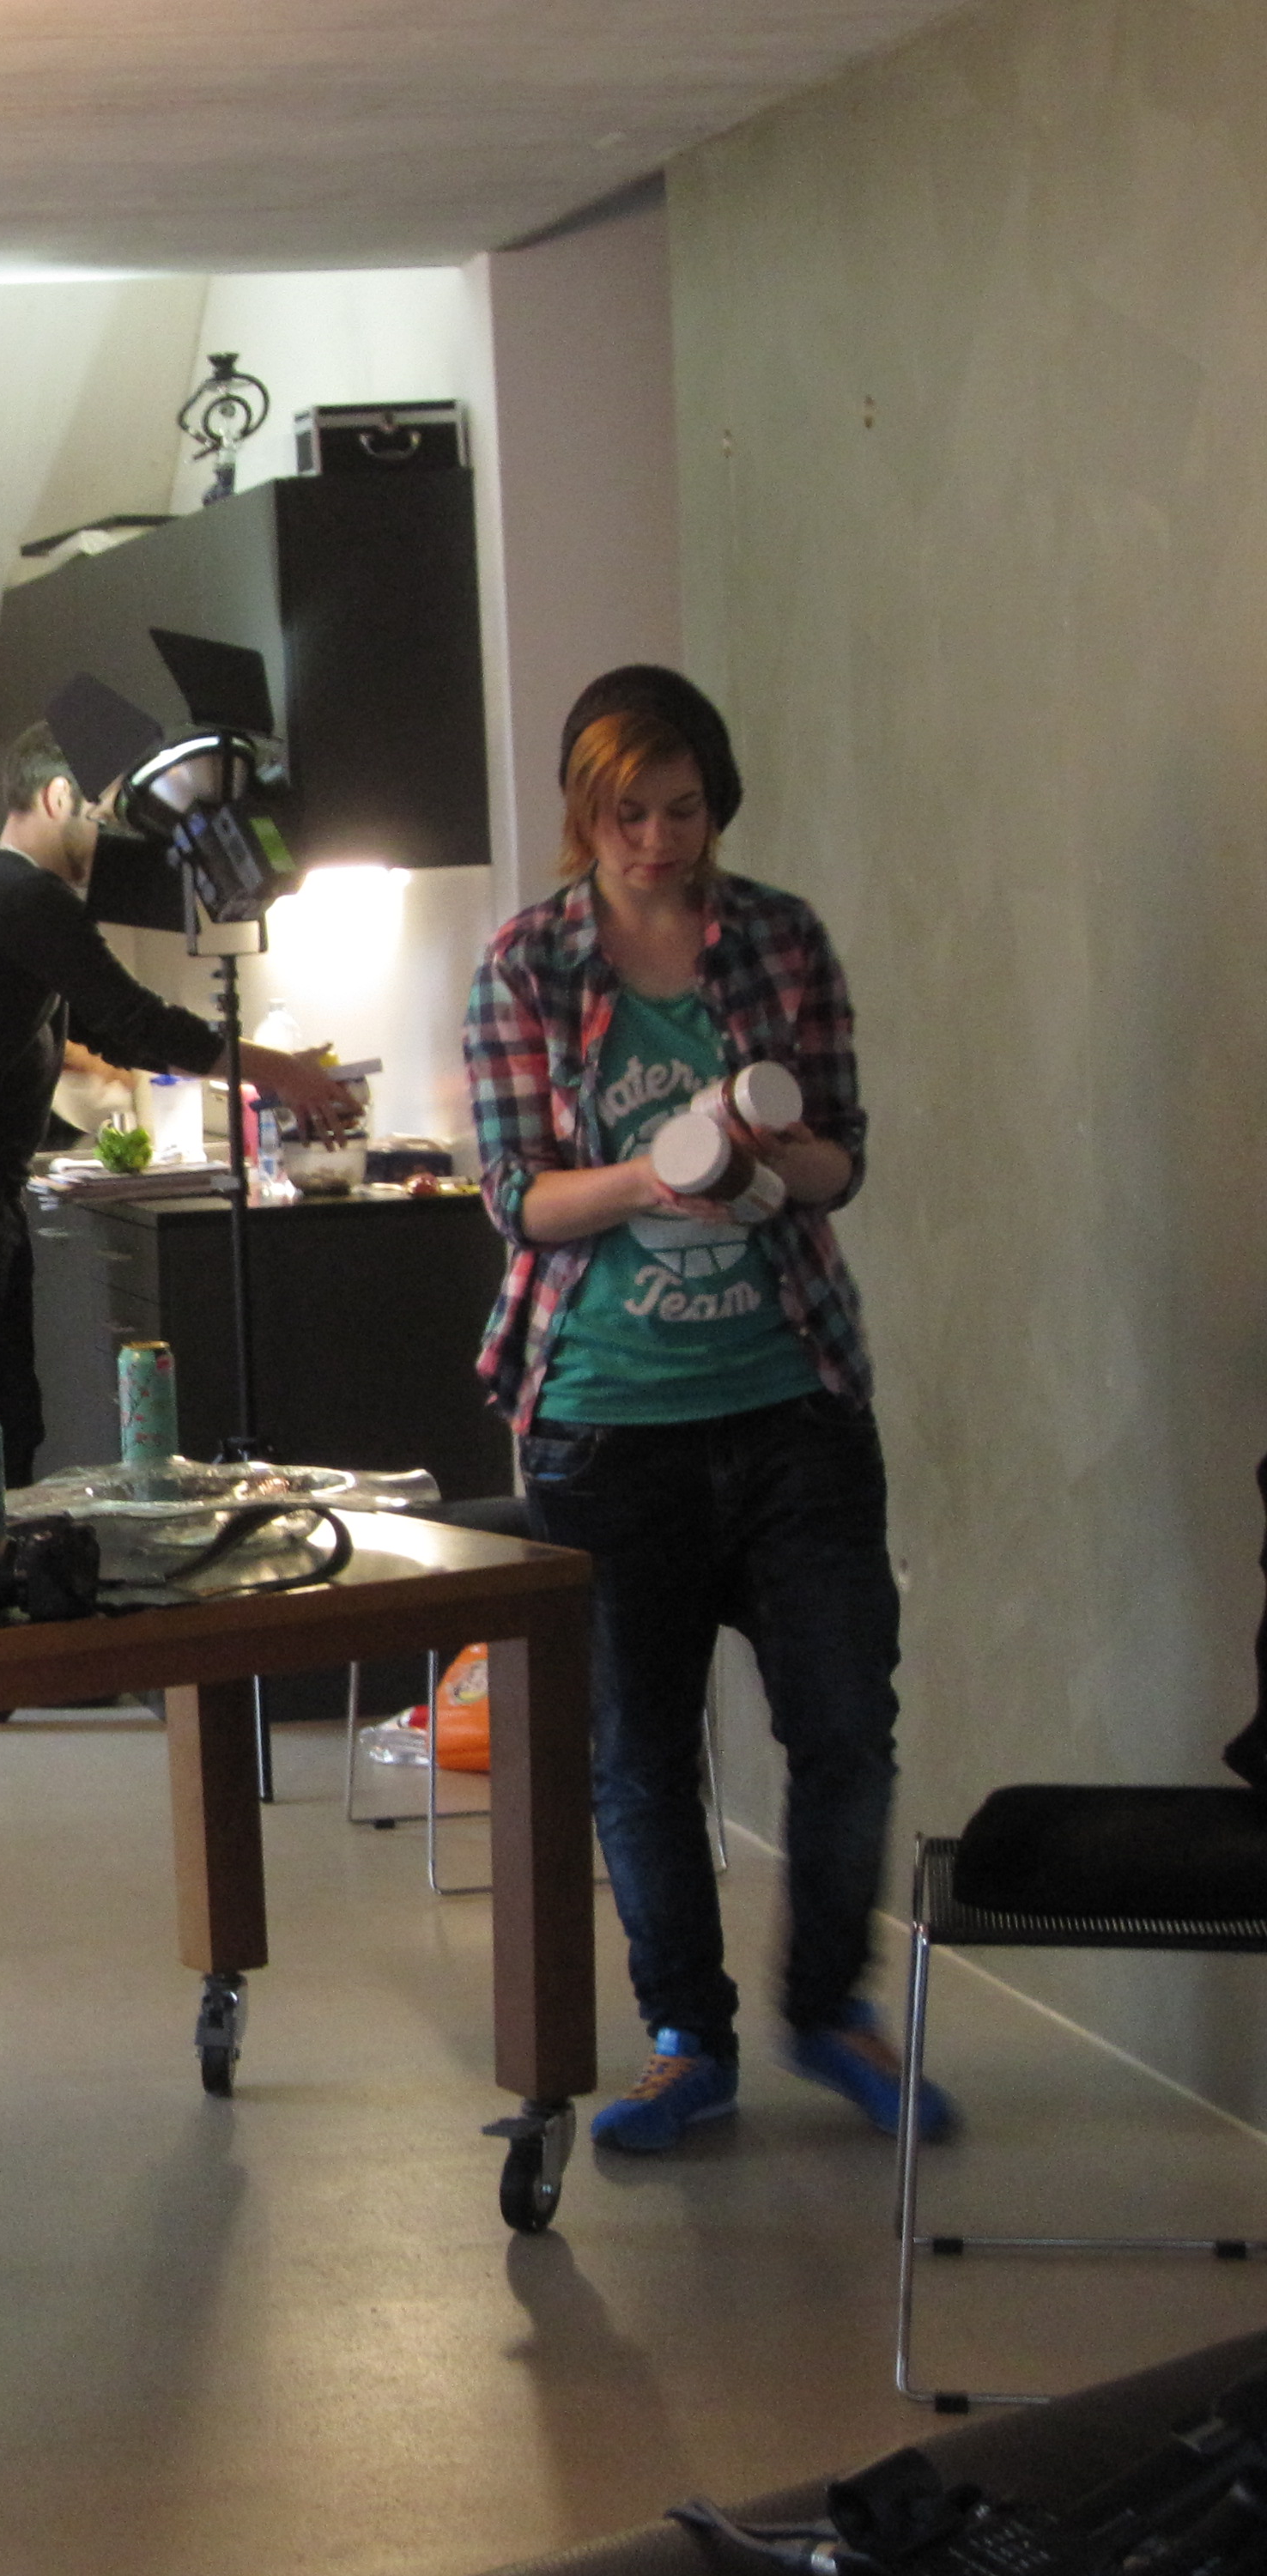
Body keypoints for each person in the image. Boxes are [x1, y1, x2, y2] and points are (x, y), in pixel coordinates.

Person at [463, 663, 948, 2153]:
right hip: (606, 1419)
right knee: (639, 1751)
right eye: (628, 814)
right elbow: (516, 1197)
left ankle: (829, 2009)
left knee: (847, 1726)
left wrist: (775, 1162)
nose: (657, 841)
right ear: (584, 812)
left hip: (794, 1399)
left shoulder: (781, 941)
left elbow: (843, 1158)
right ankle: (688, 2041)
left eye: (681, 810)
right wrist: (656, 1175)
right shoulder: (528, 965)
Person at [0, 722, 349, 1519]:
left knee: (2, 1419)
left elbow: (111, 1029)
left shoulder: (7, 893)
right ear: (59, 797)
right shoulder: (23, 893)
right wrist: (279, 1070)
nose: (109, 835)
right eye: (102, 813)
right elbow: (134, 1018)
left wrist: (250, 1064)